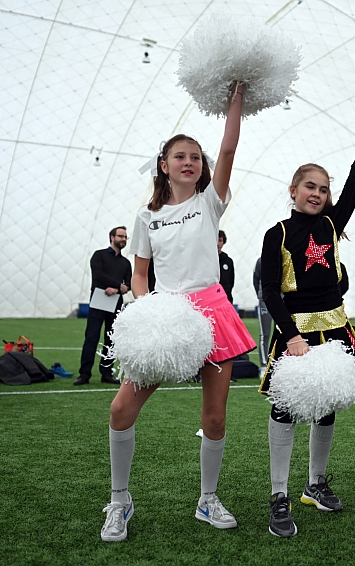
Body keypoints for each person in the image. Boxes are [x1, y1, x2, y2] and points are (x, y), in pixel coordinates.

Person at [99, 82, 255, 542]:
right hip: (165, 318)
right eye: (180, 156)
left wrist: (236, 97)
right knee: (121, 408)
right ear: (164, 166)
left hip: (212, 312)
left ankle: (208, 500)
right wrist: (147, 314)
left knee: (215, 417)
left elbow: (229, 147)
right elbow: (141, 273)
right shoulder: (146, 217)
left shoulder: (210, 202)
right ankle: (119, 500)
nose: (190, 162)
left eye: (196, 157)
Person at [259, 102, 355, 538]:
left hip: (334, 327)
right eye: (309, 186)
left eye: (323, 188)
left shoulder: (333, 222)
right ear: (293, 190)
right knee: (287, 408)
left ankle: (315, 484)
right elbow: (269, 292)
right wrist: (291, 335)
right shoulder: (276, 232)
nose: (316, 193)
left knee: (327, 406)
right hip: (295, 332)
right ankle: (279, 494)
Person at [74, 226, 132, 386]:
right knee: (91, 338)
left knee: (111, 339)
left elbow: (129, 283)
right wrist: (117, 285)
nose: (123, 239)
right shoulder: (99, 256)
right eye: (120, 236)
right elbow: (98, 275)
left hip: (116, 303)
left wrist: (117, 289)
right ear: (111, 237)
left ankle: (106, 372)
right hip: (99, 302)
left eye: (125, 237)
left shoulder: (126, 263)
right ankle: (84, 374)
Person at [252, 257, 272, 376]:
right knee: (265, 334)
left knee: (283, 333)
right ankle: (264, 366)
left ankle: (280, 364)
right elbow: (256, 279)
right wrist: (261, 295)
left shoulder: (286, 256)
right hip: (265, 301)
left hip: (282, 300)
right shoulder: (261, 260)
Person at [218, 230, 235, 303]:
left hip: (226, 297)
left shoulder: (228, 261)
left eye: (220, 240)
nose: (217, 244)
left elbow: (231, 280)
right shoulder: (207, 259)